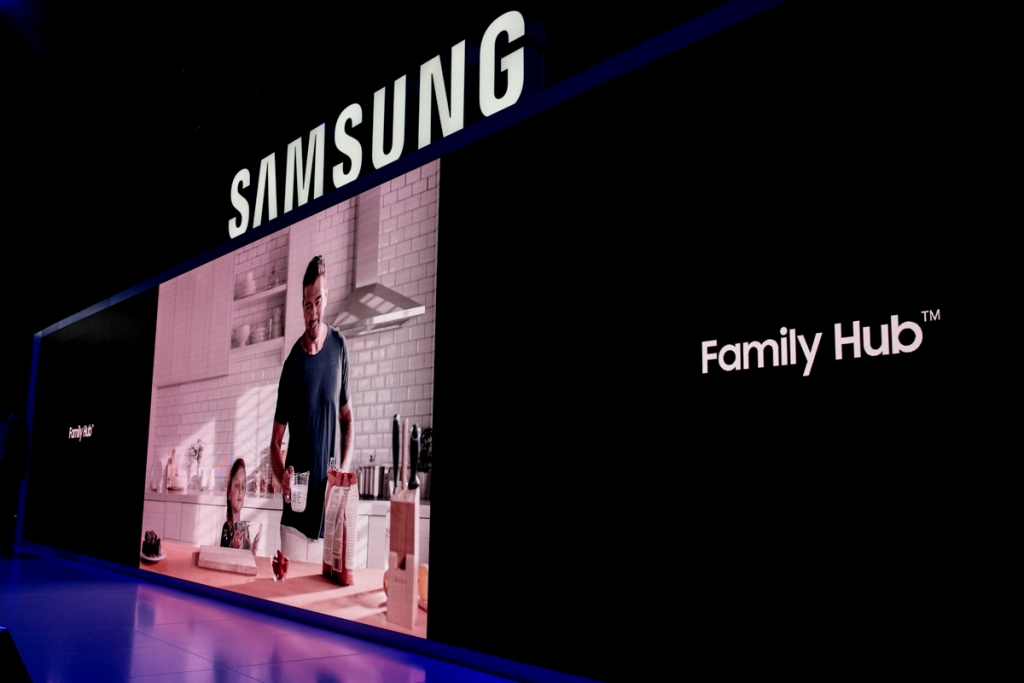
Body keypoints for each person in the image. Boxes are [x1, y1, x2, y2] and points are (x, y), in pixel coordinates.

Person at [270, 255, 353, 562]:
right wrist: (282, 477)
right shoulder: (292, 365)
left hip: (328, 518)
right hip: (294, 522)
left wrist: (343, 470)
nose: (313, 313)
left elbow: (348, 419)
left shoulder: (340, 348)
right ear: (301, 307)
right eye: (307, 305)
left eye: (318, 302)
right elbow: (275, 442)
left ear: (326, 296)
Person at [0, 391, 29, 558]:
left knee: (8, 508)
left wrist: (21, 472)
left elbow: (24, 449)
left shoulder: (19, 424)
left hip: (9, 470)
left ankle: (6, 544)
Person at [220, 458, 260, 552]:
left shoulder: (245, 529)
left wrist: (252, 552)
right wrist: (233, 548)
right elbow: (223, 557)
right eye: (237, 485)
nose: (240, 490)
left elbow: (246, 559)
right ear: (229, 494)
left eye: (243, 486)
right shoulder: (226, 528)